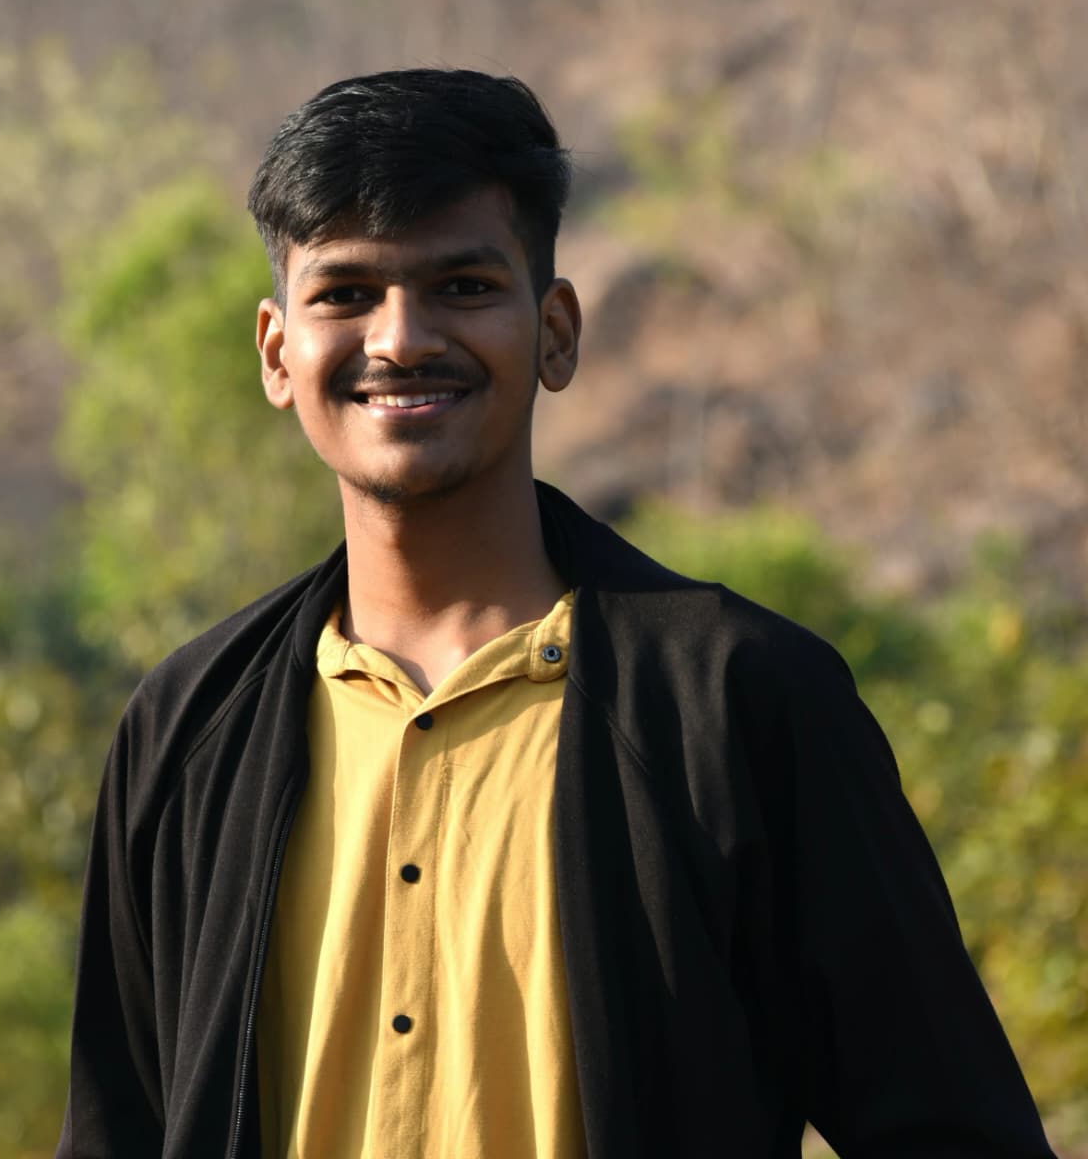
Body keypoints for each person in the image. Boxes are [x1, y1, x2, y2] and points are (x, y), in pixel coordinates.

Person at [56, 69, 1054, 1159]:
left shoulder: (737, 703)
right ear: (275, 352)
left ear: (556, 332)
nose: (400, 338)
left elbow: (952, 1132)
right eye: (344, 293)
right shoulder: (188, 729)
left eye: (463, 285)